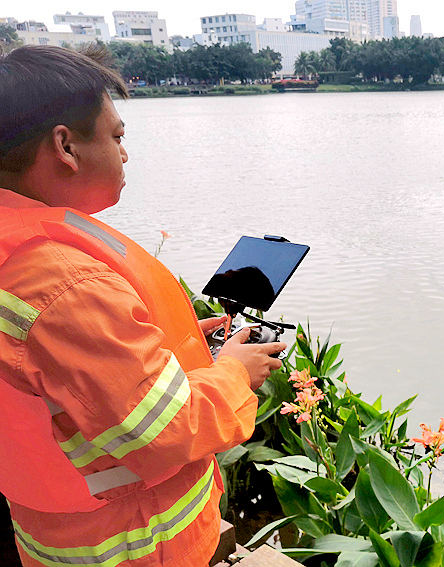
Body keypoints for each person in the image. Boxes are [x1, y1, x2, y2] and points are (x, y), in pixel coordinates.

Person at [0, 45, 286, 566]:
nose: (125, 153)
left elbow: (54, 374)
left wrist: (167, 346)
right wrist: (235, 374)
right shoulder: (65, 283)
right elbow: (168, 431)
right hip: (131, 544)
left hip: (51, 529)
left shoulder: (17, 252)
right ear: (65, 146)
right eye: (116, 136)